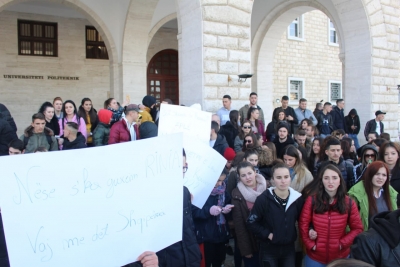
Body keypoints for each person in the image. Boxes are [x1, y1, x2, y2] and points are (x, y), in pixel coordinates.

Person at [299, 164, 363, 267]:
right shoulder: (312, 200)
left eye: (334, 178)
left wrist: (342, 243)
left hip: (340, 258)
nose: (330, 182)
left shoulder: (349, 202)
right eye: (326, 178)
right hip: (315, 257)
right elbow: (303, 225)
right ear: (321, 181)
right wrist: (311, 245)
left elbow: (357, 228)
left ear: (340, 181)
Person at [247, 162, 304, 267]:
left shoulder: (297, 199)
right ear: (273, 179)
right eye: (279, 177)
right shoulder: (263, 199)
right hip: (269, 248)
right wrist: (267, 234)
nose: (283, 181)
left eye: (286, 177)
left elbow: (303, 220)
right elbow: (251, 222)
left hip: (289, 248)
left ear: (290, 178)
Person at [156, 149, 202, 267]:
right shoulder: (151, 197)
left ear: (186, 165)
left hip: (190, 260)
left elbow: (189, 228)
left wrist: (195, 255)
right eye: (173, 169)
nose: (177, 174)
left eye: (181, 168)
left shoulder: (184, 191)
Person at [192, 172, 233, 267]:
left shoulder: (224, 191)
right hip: (206, 236)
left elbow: (227, 206)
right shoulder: (199, 191)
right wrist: (208, 211)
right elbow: (193, 212)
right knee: (206, 262)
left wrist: (227, 210)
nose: (220, 183)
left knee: (219, 261)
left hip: (221, 233)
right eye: (218, 180)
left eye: (222, 180)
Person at [231, 161, 266, 267]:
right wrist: (246, 250)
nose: (247, 177)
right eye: (243, 175)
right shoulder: (237, 194)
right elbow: (239, 226)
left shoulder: (267, 188)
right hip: (251, 242)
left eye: (249, 173)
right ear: (239, 177)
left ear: (255, 172)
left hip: (268, 241)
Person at [348, 161, 397, 231]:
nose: (380, 178)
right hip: (365, 238)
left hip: (387, 237)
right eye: (377, 174)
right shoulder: (356, 193)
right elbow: (349, 221)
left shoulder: (391, 192)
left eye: (384, 175)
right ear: (370, 174)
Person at [378, 141, 400, 207]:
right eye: (386, 154)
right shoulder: (376, 170)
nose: (389, 157)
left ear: (398, 155)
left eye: (393, 153)